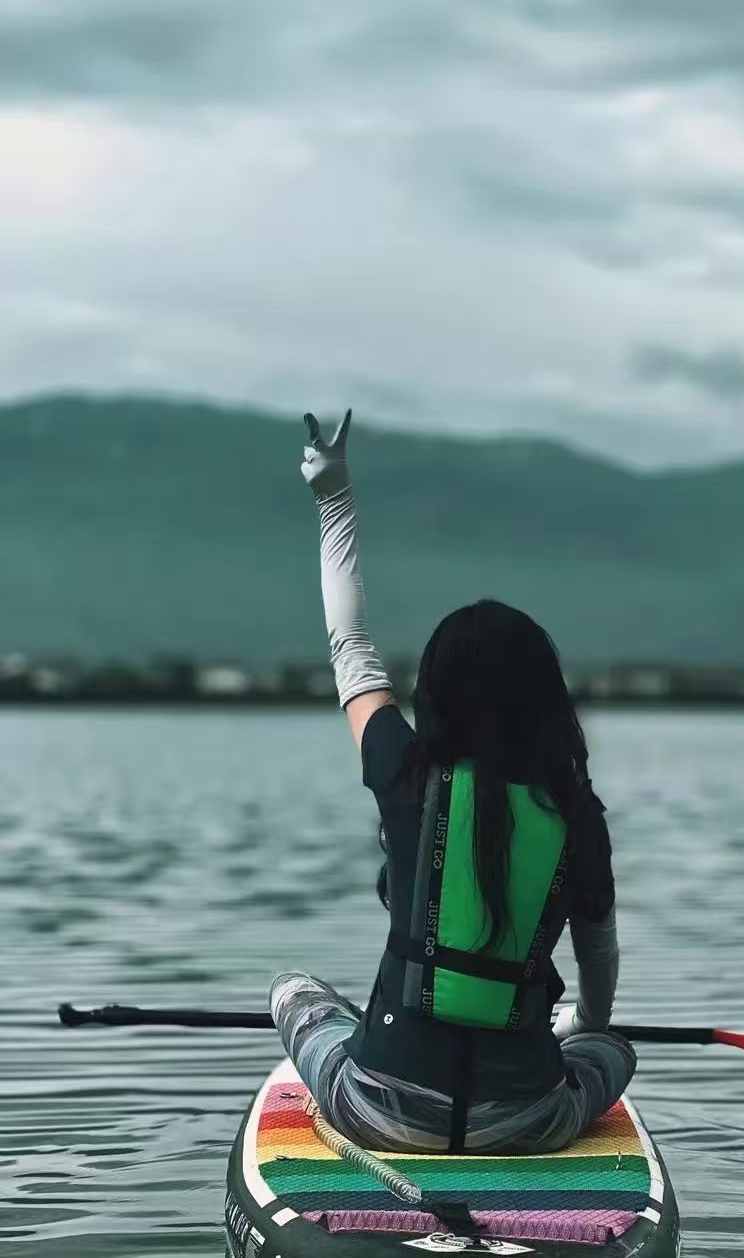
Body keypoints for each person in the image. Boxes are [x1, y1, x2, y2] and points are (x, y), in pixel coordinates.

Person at [269, 408, 635, 1155]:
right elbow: (598, 971)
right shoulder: (577, 815)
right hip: (528, 1119)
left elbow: (352, 650)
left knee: (296, 995)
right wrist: (581, 1027)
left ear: (435, 691)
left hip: (382, 1109)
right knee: (613, 1052)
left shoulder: (405, 775)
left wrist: (333, 499)